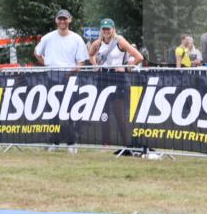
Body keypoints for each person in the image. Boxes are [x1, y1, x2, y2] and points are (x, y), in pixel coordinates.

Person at [34, 9, 88, 152]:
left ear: (70, 20)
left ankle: (72, 143)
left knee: (71, 112)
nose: (62, 21)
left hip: (70, 79)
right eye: (60, 19)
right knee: (53, 112)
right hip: (52, 78)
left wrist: (71, 73)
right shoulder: (48, 38)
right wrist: (46, 63)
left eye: (65, 19)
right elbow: (37, 52)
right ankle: (54, 142)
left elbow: (81, 62)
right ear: (56, 20)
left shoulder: (77, 39)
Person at [88, 18, 144, 152]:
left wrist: (126, 67)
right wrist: (95, 65)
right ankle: (105, 144)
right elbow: (90, 55)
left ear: (113, 29)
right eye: (104, 29)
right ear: (101, 30)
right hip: (103, 78)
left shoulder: (120, 41)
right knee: (104, 112)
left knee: (119, 113)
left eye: (108, 28)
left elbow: (139, 57)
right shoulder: (97, 43)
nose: (106, 31)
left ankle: (126, 144)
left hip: (118, 77)